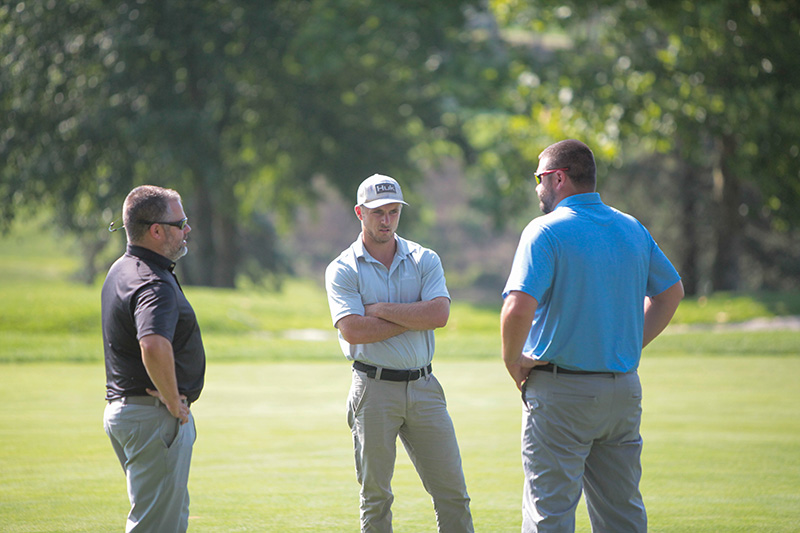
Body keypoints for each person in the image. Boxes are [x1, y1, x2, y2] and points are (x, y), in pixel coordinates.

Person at [500, 140, 684, 532]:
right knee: (621, 516)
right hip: (622, 392)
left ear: (558, 178)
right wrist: (630, 345)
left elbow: (517, 309)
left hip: (561, 392)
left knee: (549, 515)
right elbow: (671, 293)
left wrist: (514, 362)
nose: (536, 187)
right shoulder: (631, 227)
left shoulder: (544, 231)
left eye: (538, 178)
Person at [325, 174, 474, 533]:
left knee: (452, 493)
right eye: (378, 212)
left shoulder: (425, 259)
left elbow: (439, 314)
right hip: (372, 388)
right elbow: (353, 329)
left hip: (424, 387)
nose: (386, 220)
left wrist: (378, 309)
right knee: (376, 497)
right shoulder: (343, 268)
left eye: (393, 212)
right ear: (360, 212)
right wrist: (414, 316)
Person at [102, 185, 206, 532]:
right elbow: (153, 344)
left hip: (128, 413)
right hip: (152, 417)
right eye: (182, 222)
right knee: (155, 526)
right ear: (156, 230)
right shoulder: (152, 282)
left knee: (170, 520)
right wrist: (174, 402)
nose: (187, 229)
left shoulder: (123, 268)